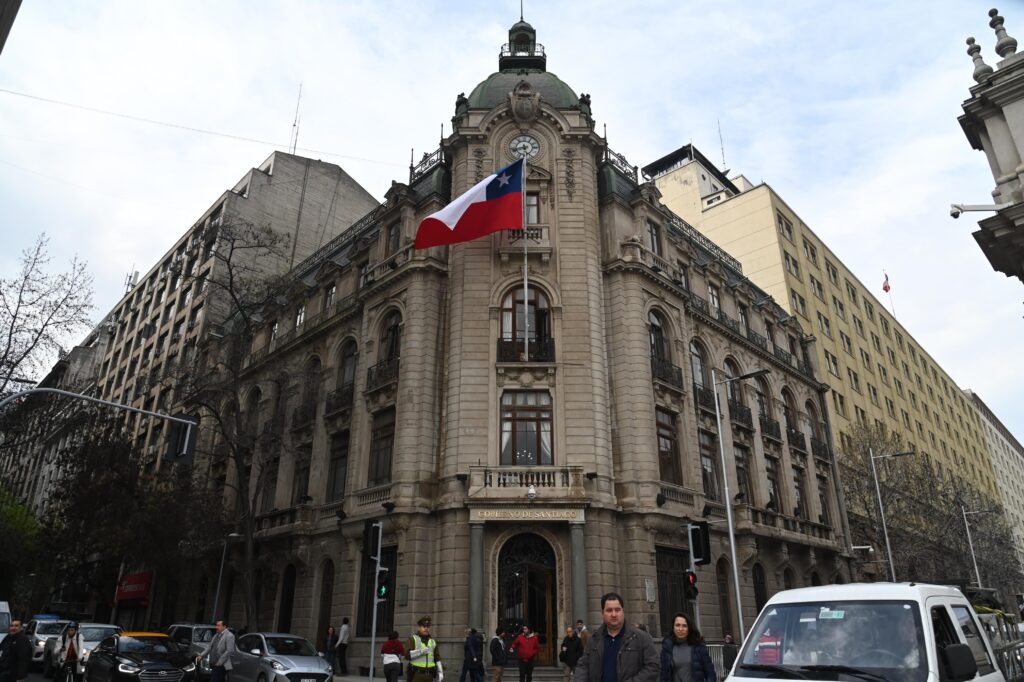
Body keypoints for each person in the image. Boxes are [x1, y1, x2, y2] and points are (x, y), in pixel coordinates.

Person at [574, 592, 659, 682]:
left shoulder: (641, 637)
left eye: (617, 610)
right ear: (602, 613)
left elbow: (653, 666)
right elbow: (583, 666)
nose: (614, 614)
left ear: (623, 612)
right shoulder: (593, 640)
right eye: (609, 610)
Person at [660, 613, 716, 682]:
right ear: (673, 627)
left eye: (684, 626)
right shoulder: (667, 647)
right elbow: (664, 675)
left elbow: (711, 674)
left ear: (689, 628)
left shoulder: (698, 647)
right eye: (677, 625)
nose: (680, 629)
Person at [407, 616, 443, 682]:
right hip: (416, 675)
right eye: (424, 626)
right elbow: (407, 655)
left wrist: (440, 671)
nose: (426, 628)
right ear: (419, 628)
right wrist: (421, 651)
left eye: (428, 626)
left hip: (430, 675)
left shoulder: (433, 641)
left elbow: (437, 657)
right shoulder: (412, 639)